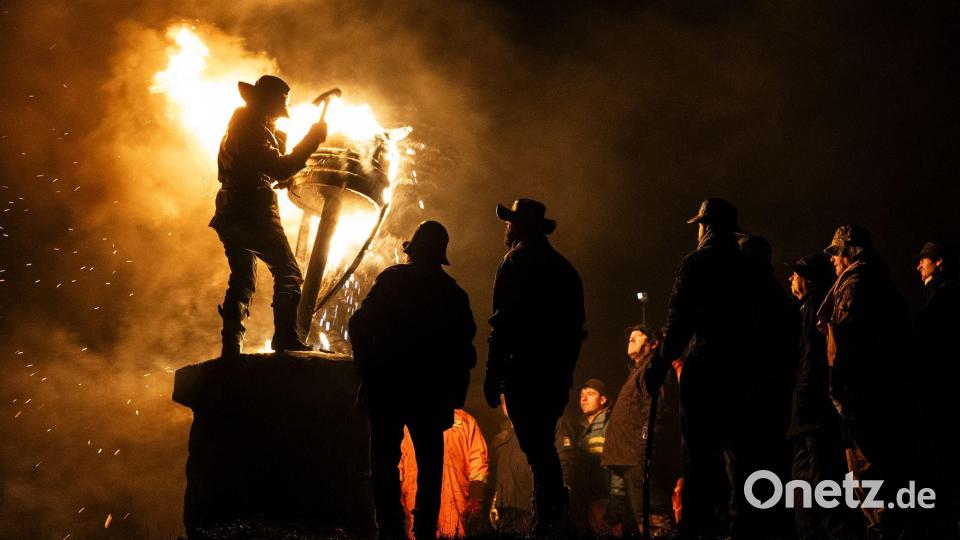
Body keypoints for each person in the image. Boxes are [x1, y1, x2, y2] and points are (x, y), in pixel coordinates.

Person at [645, 198, 793, 539]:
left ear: (705, 226)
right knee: (740, 457)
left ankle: (698, 527)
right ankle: (742, 527)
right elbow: (777, 320)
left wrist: (660, 362)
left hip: (707, 369)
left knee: (700, 456)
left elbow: (679, 320)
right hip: (745, 374)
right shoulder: (751, 268)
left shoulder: (698, 262)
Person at [349, 220, 477, 540]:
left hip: (387, 388)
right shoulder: (454, 294)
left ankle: (390, 529)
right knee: (431, 466)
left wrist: (366, 368)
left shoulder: (392, 280)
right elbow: (465, 350)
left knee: (383, 463)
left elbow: (358, 324)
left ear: (412, 251)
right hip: (431, 395)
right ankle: (424, 530)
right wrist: (453, 393)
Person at [483, 198, 586, 535]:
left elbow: (503, 325)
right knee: (542, 447)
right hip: (554, 375)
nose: (506, 227)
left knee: (538, 449)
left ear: (520, 226)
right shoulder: (564, 268)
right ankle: (552, 519)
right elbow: (575, 330)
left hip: (524, 372)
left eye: (510, 222)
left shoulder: (515, 262)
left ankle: (550, 521)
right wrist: (564, 372)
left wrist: (493, 375)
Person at [211, 75, 328, 356]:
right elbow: (278, 169)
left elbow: (265, 169)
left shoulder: (242, 126)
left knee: (242, 280)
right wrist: (312, 139)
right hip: (254, 211)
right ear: (268, 102)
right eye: (280, 103)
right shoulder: (252, 128)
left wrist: (282, 162)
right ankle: (286, 339)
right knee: (288, 272)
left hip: (230, 211)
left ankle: (231, 347)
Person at [817, 225, 912, 538]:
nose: (833, 260)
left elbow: (843, 348)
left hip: (863, 400)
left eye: (837, 252)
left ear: (850, 250)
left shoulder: (855, 286)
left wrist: (841, 397)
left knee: (869, 482)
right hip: (887, 398)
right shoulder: (884, 285)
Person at [786, 253, 858, 540]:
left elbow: (810, 362)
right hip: (810, 414)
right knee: (809, 482)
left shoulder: (813, 309)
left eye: (795, 274)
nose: (790, 279)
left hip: (812, 414)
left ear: (808, 279)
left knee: (820, 481)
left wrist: (803, 404)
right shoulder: (812, 307)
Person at [603, 324, 681, 538]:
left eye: (637, 337)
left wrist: (647, 446)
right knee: (643, 516)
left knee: (654, 512)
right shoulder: (640, 371)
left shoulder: (654, 368)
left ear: (653, 344)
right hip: (631, 455)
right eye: (630, 337)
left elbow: (657, 409)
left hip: (641, 455)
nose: (631, 339)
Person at [912, 241, 960, 538]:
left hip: (942, 393)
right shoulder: (943, 294)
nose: (918, 265)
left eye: (924, 260)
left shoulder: (944, 297)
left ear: (939, 262)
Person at [399, 409, 489, 539]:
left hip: (456, 505)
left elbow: (479, 460)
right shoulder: (408, 423)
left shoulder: (466, 421)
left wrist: (476, 497)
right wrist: (398, 497)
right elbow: (398, 462)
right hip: (415, 502)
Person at [557, 378, 619, 536]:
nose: (584, 398)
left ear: (603, 399)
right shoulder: (577, 428)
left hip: (603, 497)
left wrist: (616, 499)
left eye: (590, 394)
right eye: (582, 395)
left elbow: (616, 463)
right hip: (583, 498)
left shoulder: (611, 424)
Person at [489, 395, 535, 536]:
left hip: (527, 505)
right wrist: (495, 502)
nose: (507, 405)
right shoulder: (501, 437)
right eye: (503, 402)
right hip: (505, 506)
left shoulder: (535, 430)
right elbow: (497, 474)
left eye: (511, 399)